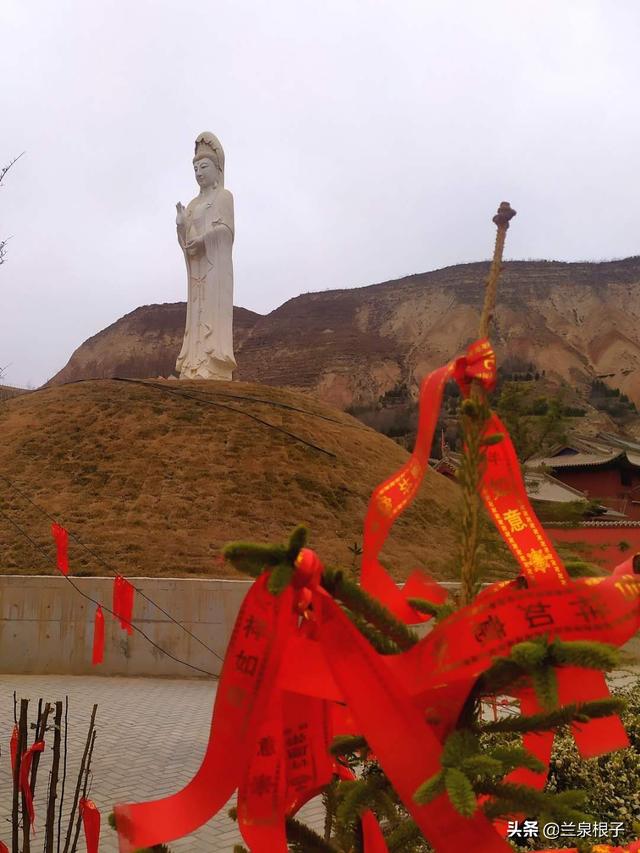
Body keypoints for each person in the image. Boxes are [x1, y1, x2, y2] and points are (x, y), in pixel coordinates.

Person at [175, 132, 237, 380]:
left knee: (211, 313)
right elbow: (188, 241)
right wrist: (181, 226)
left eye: (204, 167)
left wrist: (205, 239)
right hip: (198, 270)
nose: (199, 172)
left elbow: (227, 232)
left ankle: (212, 365)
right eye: (196, 168)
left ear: (217, 168)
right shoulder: (191, 205)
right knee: (196, 313)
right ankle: (193, 364)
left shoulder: (224, 197)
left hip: (215, 268)